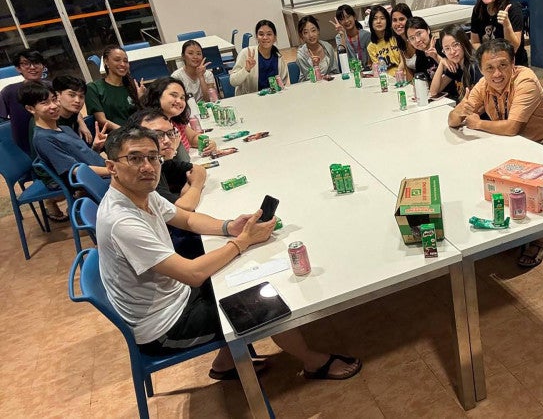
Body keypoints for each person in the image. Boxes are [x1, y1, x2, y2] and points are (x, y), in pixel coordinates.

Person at [97, 124, 362, 381]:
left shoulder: (141, 192)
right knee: (267, 302)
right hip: (166, 326)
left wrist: (230, 227)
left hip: (177, 294)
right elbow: (192, 274)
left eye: (152, 157)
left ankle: (225, 363)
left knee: (242, 273)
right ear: (112, 167)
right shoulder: (122, 222)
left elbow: (187, 219)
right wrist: (242, 241)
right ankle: (313, 362)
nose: (147, 166)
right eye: (135, 158)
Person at [448, 39, 543, 269]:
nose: (497, 74)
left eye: (503, 65)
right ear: (481, 70)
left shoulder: (525, 80)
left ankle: (539, 238)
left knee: (525, 180)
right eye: (489, 68)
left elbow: (512, 127)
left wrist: (478, 124)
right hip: (514, 143)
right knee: (478, 165)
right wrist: (460, 110)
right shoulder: (483, 84)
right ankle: (512, 224)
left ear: (513, 64)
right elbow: (454, 121)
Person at [128, 108, 207, 259]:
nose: (167, 140)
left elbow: (199, 170)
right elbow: (185, 206)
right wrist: (195, 186)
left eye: (170, 133)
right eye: (158, 135)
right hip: (168, 248)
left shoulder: (161, 161)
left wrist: (188, 188)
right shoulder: (144, 176)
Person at [25, 81, 108, 191]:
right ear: (30, 109)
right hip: (97, 183)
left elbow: (83, 159)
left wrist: (95, 148)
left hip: (106, 173)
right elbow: (77, 170)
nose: (54, 106)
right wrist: (114, 170)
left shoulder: (65, 128)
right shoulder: (43, 139)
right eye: (45, 103)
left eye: (54, 100)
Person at [141, 77, 216, 158]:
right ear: (157, 96)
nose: (179, 101)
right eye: (174, 95)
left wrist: (207, 143)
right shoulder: (150, 126)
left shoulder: (175, 121)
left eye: (182, 98)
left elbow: (193, 137)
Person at [470, 0, 528, 66]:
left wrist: (506, 24)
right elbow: (475, 42)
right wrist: (487, 57)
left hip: (513, 66)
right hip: (489, 65)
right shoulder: (478, 9)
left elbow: (513, 48)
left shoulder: (513, 9)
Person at [85, 45, 145, 130]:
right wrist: (127, 132)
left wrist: (141, 99)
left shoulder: (133, 86)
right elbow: (102, 121)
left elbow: (145, 116)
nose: (123, 64)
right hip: (116, 134)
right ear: (106, 62)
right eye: (117, 60)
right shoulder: (94, 88)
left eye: (126, 61)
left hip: (138, 131)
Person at [0, 50, 47, 155]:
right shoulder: (9, 92)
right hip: (25, 149)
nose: (32, 67)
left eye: (36, 62)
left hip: (53, 141)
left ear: (43, 66)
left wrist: (80, 122)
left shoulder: (52, 88)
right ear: (18, 68)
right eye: (26, 64)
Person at [230, 19, 290, 95]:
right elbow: (233, 81)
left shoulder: (278, 57)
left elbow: (282, 83)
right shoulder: (246, 53)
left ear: (275, 38)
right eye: (261, 34)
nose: (265, 37)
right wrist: (246, 69)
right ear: (257, 37)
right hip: (250, 99)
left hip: (273, 98)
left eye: (269, 34)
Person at [404, 17, 456, 98]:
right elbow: (421, 81)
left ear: (428, 30)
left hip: (452, 95)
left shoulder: (442, 46)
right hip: (435, 96)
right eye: (412, 38)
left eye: (419, 34)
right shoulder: (420, 53)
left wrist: (435, 56)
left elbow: (453, 69)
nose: (417, 40)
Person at [430, 24, 483, 102]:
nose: (452, 52)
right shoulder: (455, 65)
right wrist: (441, 63)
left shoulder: (476, 66)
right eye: (447, 48)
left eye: (455, 45)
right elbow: (433, 92)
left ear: (464, 43)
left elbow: (481, 101)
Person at [295, 15, 339, 82]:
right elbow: (309, 79)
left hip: (329, 83)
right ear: (302, 36)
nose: (311, 35)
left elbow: (335, 72)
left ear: (318, 31)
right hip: (309, 85)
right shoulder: (301, 55)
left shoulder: (328, 47)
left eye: (313, 30)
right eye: (306, 32)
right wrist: (315, 66)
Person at [53, 75, 93, 143]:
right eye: (72, 95)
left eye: (81, 96)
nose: (77, 100)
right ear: (57, 95)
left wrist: (82, 123)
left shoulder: (73, 113)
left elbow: (78, 114)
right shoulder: (52, 122)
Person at [366, 5, 403, 77]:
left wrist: (398, 75)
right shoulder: (371, 47)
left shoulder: (396, 37)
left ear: (387, 21)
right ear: (371, 22)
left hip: (402, 76)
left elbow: (403, 61)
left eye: (382, 18)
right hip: (386, 79)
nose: (378, 21)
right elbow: (379, 70)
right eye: (375, 19)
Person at [332, 4, 371, 69]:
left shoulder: (366, 35)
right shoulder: (339, 37)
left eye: (348, 17)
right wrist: (343, 35)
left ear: (354, 16)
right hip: (350, 72)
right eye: (342, 19)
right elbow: (342, 60)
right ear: (339, 22)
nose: (346, 21)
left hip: (368, 71)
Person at [391, 3, 415, 77]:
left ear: (409, 19)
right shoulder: (400, 42)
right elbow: (408, 71)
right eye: (394, 20)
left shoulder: (417, 40)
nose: (398, 24)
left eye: (401, 19)